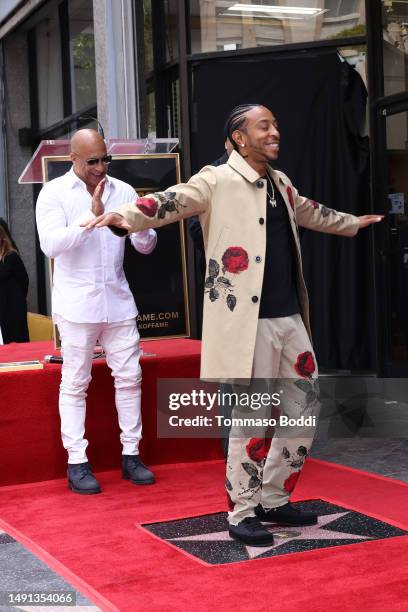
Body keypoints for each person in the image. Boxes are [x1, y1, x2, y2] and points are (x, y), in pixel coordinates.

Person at [83, 105, 383, 542]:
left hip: (291, 320)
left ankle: (274, 498)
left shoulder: (281, 183)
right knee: (251, 417)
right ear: (239, 138)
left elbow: (313, 213)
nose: (275, 132)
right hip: (247, 325)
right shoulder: (216, 179)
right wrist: (124, 216)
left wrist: (353, 222)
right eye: (265, 126)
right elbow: (170, 200)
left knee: (304, 411)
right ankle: (242, 510)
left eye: (276, 125)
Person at [36, 129, 157, 495]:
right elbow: (51, 246)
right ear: (72, 158)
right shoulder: (53, 194)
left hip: (118, 300)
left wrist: (132, 228)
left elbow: (148, 245)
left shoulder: (123, 191)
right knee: (75, 383)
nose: (101, 167)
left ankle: (131, 455)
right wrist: (90, 219)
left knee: (130, 378)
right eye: (92, 161)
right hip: (76, 305)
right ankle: (77, 462)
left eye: (106, 159)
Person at [0, 222, 29, 344]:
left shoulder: (11, 256)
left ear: (2, 237)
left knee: (17, 342)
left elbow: (24, 280)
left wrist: (17, 300)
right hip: (2, 308)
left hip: (13, 308)